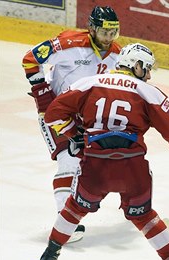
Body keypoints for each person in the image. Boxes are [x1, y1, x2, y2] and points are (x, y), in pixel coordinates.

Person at [31, 43, 169, 260]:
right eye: (148, 68)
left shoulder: (88, 83)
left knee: (74, 209)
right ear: (136, 65)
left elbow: (53, 113)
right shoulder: (148, 91)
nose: (150, 75)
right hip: (132, 167)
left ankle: (48, 257)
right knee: (144, 216)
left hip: (95, 165)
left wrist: (73, 134)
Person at [22, 6, 122, 242]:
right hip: (56, 112)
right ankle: (64, 219)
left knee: (92, 163)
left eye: (113, 32)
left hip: (86, 117)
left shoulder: (118, 55)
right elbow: (30, 59)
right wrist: (42, 93)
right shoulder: (69, 44)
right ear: (92, 28)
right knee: (67, 160)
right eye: (105, 32)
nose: (109, 38)